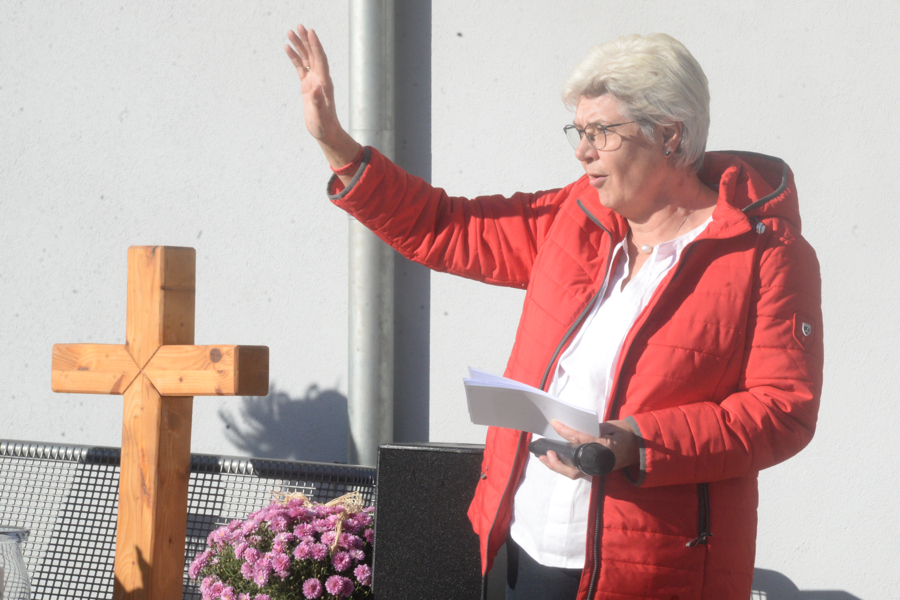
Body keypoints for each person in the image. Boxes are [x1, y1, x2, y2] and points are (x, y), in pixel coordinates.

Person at [285, 26, 823, 600]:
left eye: (601, 132)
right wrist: (337, 145)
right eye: (579, 132)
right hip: (532, 547)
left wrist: (636, 442)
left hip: (656, 571)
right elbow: (446, 227)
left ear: (669, 134)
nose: (582, 150)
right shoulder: (577, 215)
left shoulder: (766, 255)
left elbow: (782, 410)